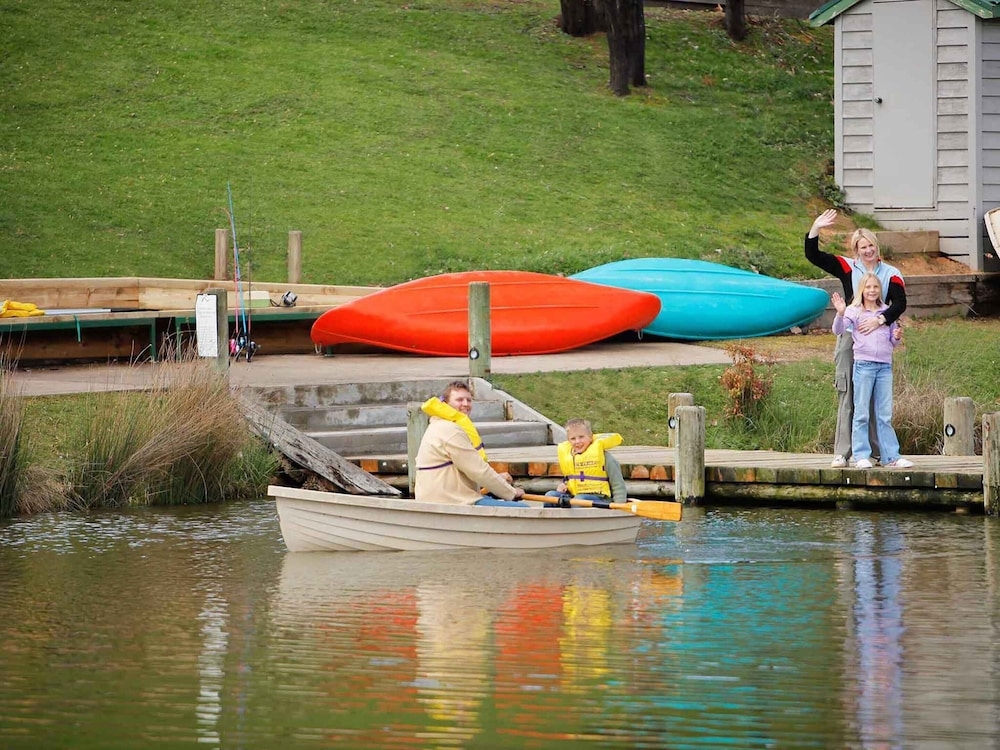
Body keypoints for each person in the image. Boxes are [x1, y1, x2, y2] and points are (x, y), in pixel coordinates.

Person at [806, 209, 907, 467]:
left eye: (871, 245)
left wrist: (881, 320)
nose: (868, 250)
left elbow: (900, 304)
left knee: (874, 397)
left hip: (878, 338)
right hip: (851, 335)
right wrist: (816, 228)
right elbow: (813, 255)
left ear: (876, 246)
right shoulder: (848, 267)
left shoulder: (891, 273)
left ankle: (876, 452)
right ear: (856, 250)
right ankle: (843, 451)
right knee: (848, 391)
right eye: (862, 246)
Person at [831, 274, 913, 470]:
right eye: (868, 287)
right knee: (861, 413)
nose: (872, 290)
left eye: (875, 287)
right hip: (864, 366)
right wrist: (840, 313)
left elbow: (892, 342)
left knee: (884, 414)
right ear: (862, 289)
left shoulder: (887, 312)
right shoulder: (855, 310)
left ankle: (890, 456)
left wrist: (897, 337)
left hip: (884, 367)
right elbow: (838, 329)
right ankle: (860, 455)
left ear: (880, 290)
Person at [414, 380, 527, 506]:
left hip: (441, 498)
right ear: (445, 403)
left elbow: (468, 471)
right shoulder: (450, 430)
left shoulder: (438, 425)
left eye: (468, 400)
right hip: (451, 502)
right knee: (524, 508)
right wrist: (511, 492)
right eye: (459, 400)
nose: (465, 404)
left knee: (491, 499)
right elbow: (478, 470)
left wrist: (499, 479)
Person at [546, 418, 628, 504]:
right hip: (575, 497)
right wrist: (563, 487)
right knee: (550, 496)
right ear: (569, 440)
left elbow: (618, 485)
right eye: (573, 438)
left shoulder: (605, 457)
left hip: (600, 498)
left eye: (581, 437)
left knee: (579, 500)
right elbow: (570, 480)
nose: (577, 441)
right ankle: (552, 517)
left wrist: (619, 506)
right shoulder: (569, 458)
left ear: (590, 437)